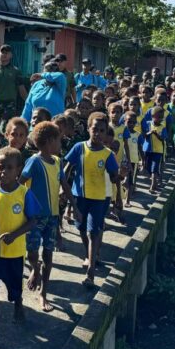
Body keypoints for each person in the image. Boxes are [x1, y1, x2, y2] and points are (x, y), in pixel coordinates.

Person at [0, 147, 42, 349]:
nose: (3, 171)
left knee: (15, 287)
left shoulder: (24, 193)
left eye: (9, 168)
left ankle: (18, 303)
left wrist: (14, 235)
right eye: (0, 167)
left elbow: (33, 220)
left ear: (19, 170)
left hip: (15, 253)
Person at [64, 112, 119, 289]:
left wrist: (121, 184)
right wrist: (62, 189)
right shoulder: (79, 148)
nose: (98, 133)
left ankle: (91, 274)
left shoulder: (108, 154)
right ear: (88, 129)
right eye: (95, 129)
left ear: (105, 133)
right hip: (79, 197)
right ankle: (91, 254)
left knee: (93, 231)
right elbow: (66, 169)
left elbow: (114, 177)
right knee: (80, 228)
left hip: (99, 199)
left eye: (102, 130)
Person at [22, 121, 64, 312]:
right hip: (35, 218)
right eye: (58, 140)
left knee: (48, 252)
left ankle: (43, 293)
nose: (60, 144)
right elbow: (20, 183)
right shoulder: (34, 161)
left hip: (53, 217)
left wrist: (74, 205)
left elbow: (65, 185)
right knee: (32, 251)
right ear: (49, 142)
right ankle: (34, 268)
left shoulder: (57, 162)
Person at [0, 45, 29, 145]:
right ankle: (2, 151)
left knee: (3, 128)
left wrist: (29, 103)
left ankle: (4, 152)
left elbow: (21, 90)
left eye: (7, 52)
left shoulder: (16, 71)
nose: (4, 54)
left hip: (9, 105)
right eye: (2, 52)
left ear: (11, 55)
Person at [142, 106, 169, 194]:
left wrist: (157, 134)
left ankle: (153, 186)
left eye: (162, 117)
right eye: (159, 117)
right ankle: (155, 182)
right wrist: (150, 133)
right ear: (153, 116)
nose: (160, 119)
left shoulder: (162, 127)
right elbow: (144, 136)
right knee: (148, 167)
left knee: (154, 168)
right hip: (148, 150)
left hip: (158, 151)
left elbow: (163, 139)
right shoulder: (148, 124)